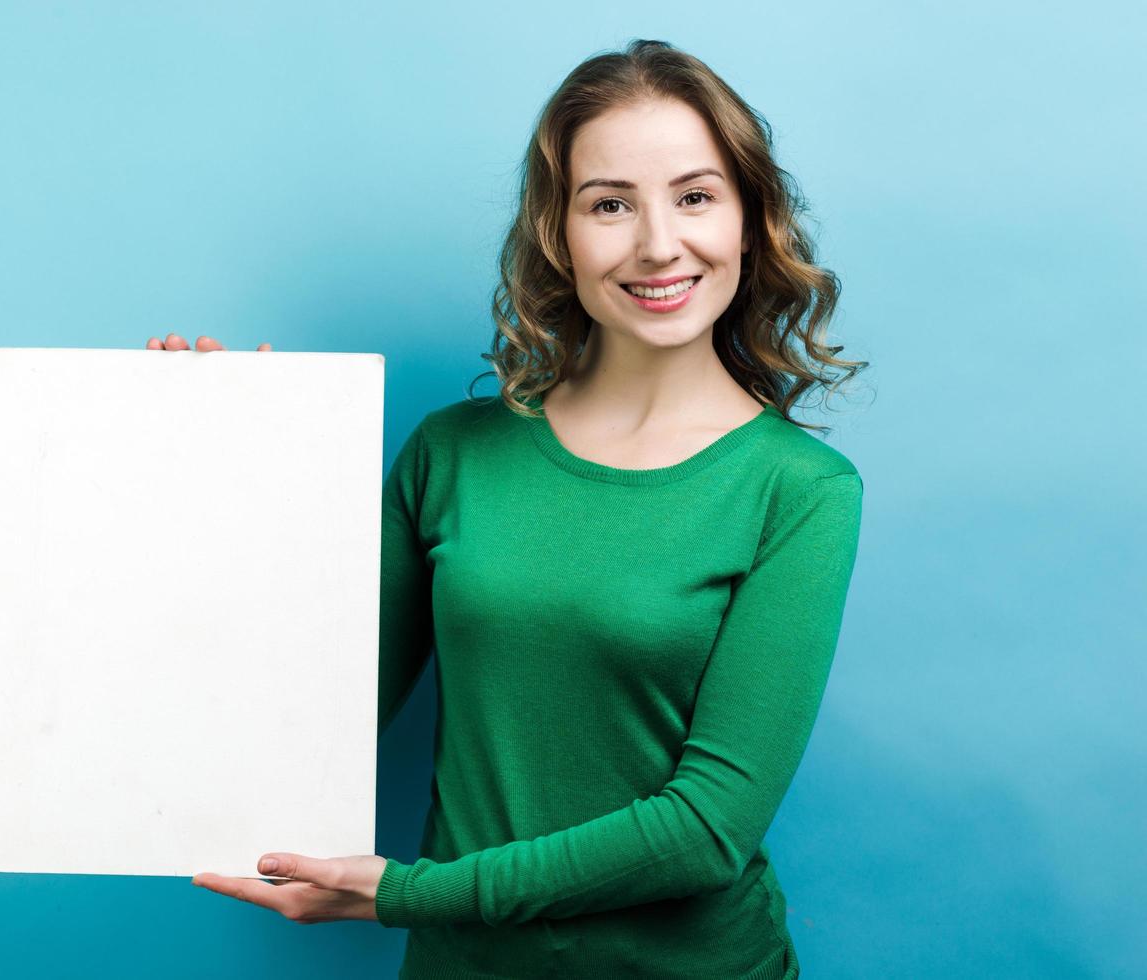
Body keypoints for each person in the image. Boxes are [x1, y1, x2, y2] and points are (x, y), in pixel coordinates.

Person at [164, 37, 868, 980]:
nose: (659, 243)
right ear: (558, 232)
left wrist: (406, 895)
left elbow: (707, 829)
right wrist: (213, 469)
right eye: (609, 204)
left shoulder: (799, 491)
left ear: (747, 220)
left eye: (695, 196)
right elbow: (300, 717)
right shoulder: (453, 454)